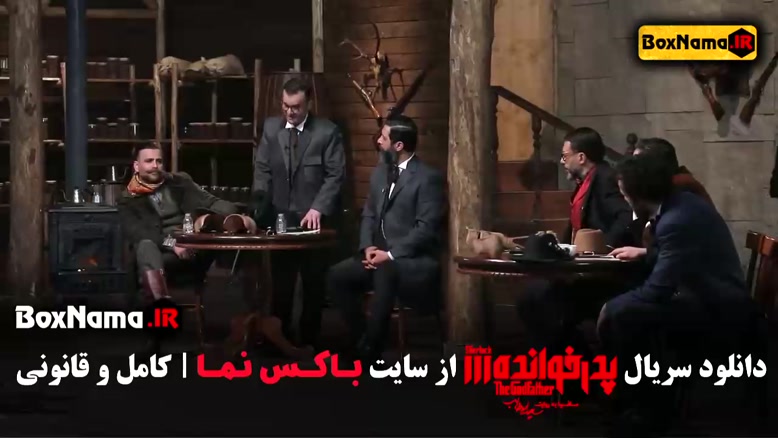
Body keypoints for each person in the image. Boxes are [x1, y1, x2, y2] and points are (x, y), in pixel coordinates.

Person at [597, 152, 762, 435]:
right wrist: (645, 253)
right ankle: (645, 398)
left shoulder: (676, 219)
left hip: (719, 308)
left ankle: (647, 409)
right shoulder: (681, 204)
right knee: (627, 309)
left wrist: (610, 308)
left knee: (623, 315)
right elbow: (677, 254)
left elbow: (657, 290)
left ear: (639, 193)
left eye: (625, 195)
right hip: (711, 296)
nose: (625, 201)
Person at [326, 115, 446, 361]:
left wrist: (390, 255)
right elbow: (369, 214)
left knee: (386, 271)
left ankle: (372, 349)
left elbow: (425, 230)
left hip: (412, 260)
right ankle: (363, 338)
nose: (378, 141)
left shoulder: (427, 178)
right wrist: (368, 246)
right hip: (378, 255)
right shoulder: (380, 172)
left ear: (398, 145)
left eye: (383, 137)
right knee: (337, 275)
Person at [516, 127, 633, 357]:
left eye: (564, 156)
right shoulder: (586, 183)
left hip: (604, 276)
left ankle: (571, 363)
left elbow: (625, 217)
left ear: (581, 157)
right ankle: (569, 361)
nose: (562, 162)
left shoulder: (605, 179)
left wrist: (603, 249)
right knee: (532, 298)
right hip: (582, 272)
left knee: (538, 299)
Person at [251, 77, 346, 348]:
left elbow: (335, 175)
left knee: (313, 284)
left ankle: (309, 342)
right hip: (280, 218)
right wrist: (259, 202)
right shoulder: (271, 128)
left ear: (308, 103)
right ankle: (279, 340)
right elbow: (262, 169)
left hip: (314, 220)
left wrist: (318, 207)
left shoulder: (327, 132)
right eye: (285, 105)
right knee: (281, 284)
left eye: (296, 107)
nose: (290, 112)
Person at [118, 144, 238, 352]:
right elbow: (140, 233)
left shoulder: (179, 182)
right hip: (159, 251)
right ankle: (160, 311)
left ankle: (157, 327)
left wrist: (236, 215)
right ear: (136, 166)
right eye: (149, 161)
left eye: (159, 161)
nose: (155, 166)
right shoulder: (127, 199)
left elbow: (211, 202)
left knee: (148, 254)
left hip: (190, 246)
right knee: (145, 246)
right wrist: (172, 245)